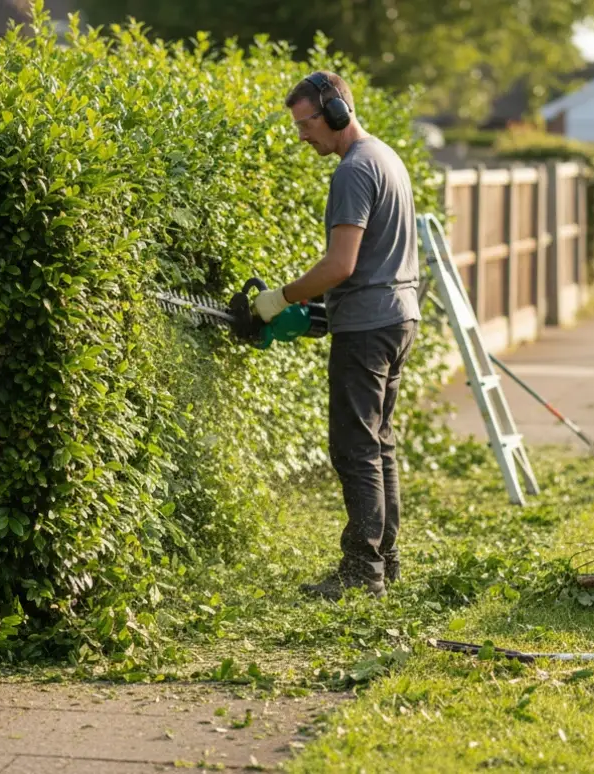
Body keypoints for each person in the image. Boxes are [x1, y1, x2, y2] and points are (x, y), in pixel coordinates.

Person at [252, 70, 420, 601]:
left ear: (337, 113)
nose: (302, 136)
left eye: (305, 124)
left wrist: (281, 298)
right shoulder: (387, 157)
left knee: (354, 448)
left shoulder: (352, 170)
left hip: (369, 327)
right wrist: (319, 310)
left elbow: (341, 264)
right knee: (379, 442)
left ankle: (361, 570)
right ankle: (385, 560)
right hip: (399, 317)